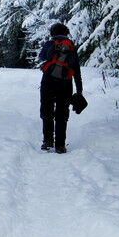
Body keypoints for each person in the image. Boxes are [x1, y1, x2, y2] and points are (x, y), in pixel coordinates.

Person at [37, 23, 83, 153]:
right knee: (62, 113)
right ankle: (60, 145)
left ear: (53, 33)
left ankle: (47, 141)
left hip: (48, 81)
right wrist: (79, 90)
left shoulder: (49, 43)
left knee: (47, 110)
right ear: (66, 33)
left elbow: (41, 57)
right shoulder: (71, 46)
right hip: (66, 83)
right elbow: (76, 70)